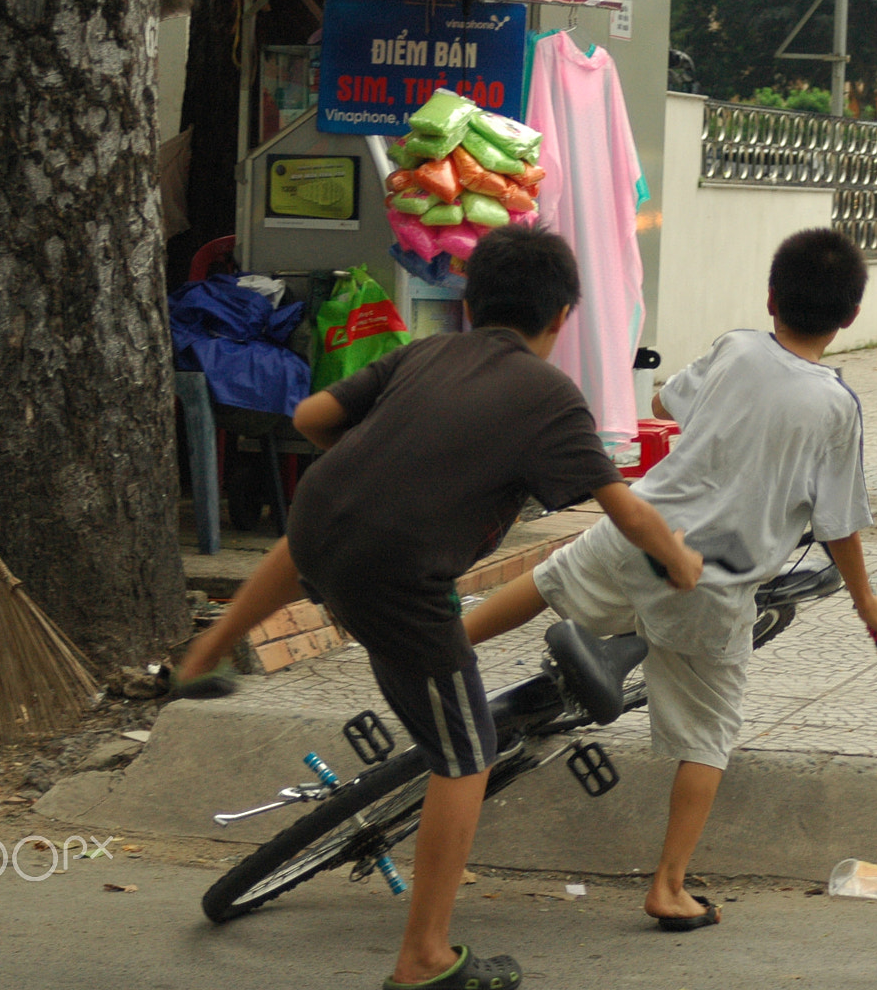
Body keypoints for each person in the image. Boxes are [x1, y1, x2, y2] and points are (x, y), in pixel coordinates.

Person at [173, 225, 702, 990]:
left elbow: (310, 418)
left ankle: (208, 649)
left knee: (320, 534)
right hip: (400, 582)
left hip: (318, 519)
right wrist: (679, 558)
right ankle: (424, 956)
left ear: (469, 303)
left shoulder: (427, 352)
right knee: (469, 753)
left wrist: (380, 464)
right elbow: (626, 510)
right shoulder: (552, 395)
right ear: (560, 318)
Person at [462, 227, 877, 932]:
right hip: (713, 586)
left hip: (641, 530)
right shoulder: (835, 407)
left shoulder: (737, 348)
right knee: (707, 734)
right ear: (850, 318)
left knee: (549, 579)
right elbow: (838, 522)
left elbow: (668, 405)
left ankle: (439, 650)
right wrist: (867, 604)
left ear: (770, 297)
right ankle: (668, 885)